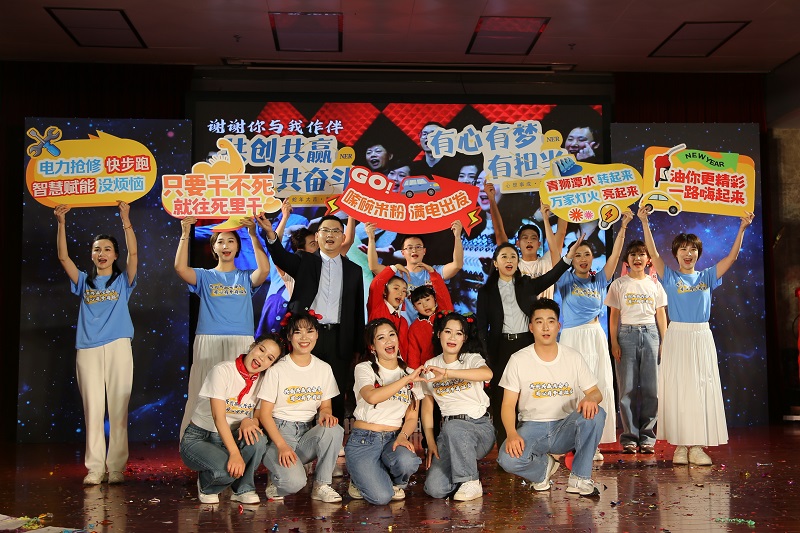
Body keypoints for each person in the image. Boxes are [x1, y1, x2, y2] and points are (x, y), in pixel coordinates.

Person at [638, 206, 755, 465]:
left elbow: (732, 258)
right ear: (676, 253)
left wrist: (742, 228)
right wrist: (644, 221)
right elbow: (653, 253)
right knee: (679, 389)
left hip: (701, 336)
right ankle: (680, 445)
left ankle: (698, 445)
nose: (688, 253)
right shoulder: (669, 276)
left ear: (698, 253)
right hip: (677, 336)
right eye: (683, 249)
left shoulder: (707, 276)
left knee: (701, 388)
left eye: (692, 249)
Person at [54, 201, 138, 485]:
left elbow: (134, 253)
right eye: (97, 249)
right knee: (93, 409)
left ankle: (116, 467)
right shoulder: (84, 281)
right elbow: (63, 257)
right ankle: (95, 468)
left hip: (118, 346)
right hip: (88, 348)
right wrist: (61, 223)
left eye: (107, 249)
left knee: (118, 408)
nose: (101, 254)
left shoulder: (123, 281)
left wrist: (125, 220)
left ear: (115, 255)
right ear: (91, 254)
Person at [496, 298, 605, 498]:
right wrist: (511, 433)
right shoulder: (518, 360)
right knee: (507, 460)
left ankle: (580, 478)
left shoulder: (573, 357)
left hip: (565, 426)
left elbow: (596, 392)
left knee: (597, 413)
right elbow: (508, 404)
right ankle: (543, 469)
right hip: (532, 428)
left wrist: (591, 397)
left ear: (558, 326)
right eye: (539, 322)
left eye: (551, 321)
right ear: (531, 327)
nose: (545, 327)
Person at [476, 238, 580, 444]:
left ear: (518, 262)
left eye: (513, 257)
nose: (509, 260)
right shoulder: (486, 292)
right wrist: (486, 356)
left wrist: (569, 257)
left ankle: (535, 442)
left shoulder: (526, 284)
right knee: (502, 397)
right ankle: (506, 444)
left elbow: (552, 276)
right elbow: (481, 327)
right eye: (504, 257)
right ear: (495, 263)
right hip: (501, 348)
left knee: (531, 393)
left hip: (526, 344)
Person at [263, 214, 365, 424]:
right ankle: (299, 431)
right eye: (325, 231)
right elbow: (280, 256)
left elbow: (356, 311)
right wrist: (271, 234)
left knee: (336, 390)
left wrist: (358, 346)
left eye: (335, 231)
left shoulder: (354, 270)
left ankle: (333, 434)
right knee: (303, 387)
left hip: (339, 337)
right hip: (307, 336)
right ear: (317, 236)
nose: (330, 235)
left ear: (343, 237)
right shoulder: (304, 260)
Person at [175, 215, 271, 438]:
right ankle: (196, 442)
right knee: (203, 390)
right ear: (213, 248)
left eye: (230, 241)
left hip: (241, 341)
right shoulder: (205, 276)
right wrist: (185, 233)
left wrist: (253, 235)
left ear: (237, 247)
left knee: (238, 393)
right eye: (220, 241)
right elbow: (180, 268)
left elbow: (264, 270)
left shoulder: (245, 277)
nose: (226, 246)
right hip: (208, 340)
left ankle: (234, 443)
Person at [555, 210, 632, 460]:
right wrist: (550, 222)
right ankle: (571, 441)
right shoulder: (564, 279)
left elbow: (616, 255)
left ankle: (592, 442)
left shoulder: (599, 280)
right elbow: (556, 253)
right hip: (572, 337)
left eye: (586, 254)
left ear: (593, 257)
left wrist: (623, 227)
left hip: (595, 336)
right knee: (573, 388)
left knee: (598, 385)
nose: (582, 258)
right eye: (577, 255)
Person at [180, 334, 284, 504]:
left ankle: (243, 488)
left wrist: (249, 421)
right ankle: (207, 485)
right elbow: (218, 417)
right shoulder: (222, 370)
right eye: (261, 350)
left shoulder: (263, 380)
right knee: (226, 471)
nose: (262, 358)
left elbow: (258, 416)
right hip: (201, 437)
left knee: (258, 440)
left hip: (232, 436)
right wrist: (235, 454)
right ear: (252, 346)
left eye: (269, 358)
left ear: (271, 364)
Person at [258, 309, 345, 502]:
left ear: (317, 334)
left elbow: (326, 406)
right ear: (289, 336)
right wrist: (281, 445)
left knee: (334, 429)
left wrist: (325, 414)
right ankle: (277, 478)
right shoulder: (277, 369)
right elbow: (264, 414)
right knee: (294, 483)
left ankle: (321, 485)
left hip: (306, 432)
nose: (304, 337)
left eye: (310, 331)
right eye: (298, 332)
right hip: (279, 433)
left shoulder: (323, 368)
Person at [346, 319, 425, 504]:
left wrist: (403, 436)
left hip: (393, 439)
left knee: (408, 461)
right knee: (381, 498)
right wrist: (406, 380)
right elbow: (371, 397)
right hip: (364, 439)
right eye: (381, 338)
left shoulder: (411, 373)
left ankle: (390, 481)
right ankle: (359, 479)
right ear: (372, 347)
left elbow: (412, 416)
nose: (389, 341)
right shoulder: (364, 368)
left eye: (392, 335)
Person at [422, 312, 494, 502]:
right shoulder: (430, 365)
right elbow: (427, 407)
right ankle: (462, 472)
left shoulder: (471, 359)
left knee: (454, 427)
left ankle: (471, 481)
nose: (452, 337)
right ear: (439, 334)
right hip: (449, 434)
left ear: (464, 338)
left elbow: (487, 374)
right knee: (435, 489)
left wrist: (447, 373)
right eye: (448, 331)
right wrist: (430, 441)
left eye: (459, 333)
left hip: (478, 427)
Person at [605, 239, 668, 454]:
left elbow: (661, 313)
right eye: (633, 254)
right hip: (626, 335)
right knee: (627, 390)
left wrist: (664, 341)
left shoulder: (654, 284)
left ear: (648, 259)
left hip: (650, 334)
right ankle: (630, 438)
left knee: (652, 390)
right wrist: (614, 341)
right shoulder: (619, 284)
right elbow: (614, 316)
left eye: (641, 254)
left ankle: (647, 437)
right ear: (627, 260)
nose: (637, 258)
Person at [367, 222, 463, 323]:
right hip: (402, 328)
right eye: (409, 247)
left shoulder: (434, 272)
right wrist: (371, 239)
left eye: (418, 247)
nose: (414, 250)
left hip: (430, 327)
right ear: (403, 252)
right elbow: (374, 267)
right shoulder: (397, 273)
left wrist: (457, 237)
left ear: (424, 251)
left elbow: (457, 265)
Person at [487, 186, 567, 301]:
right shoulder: (512, 264)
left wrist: (564, 196)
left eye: (533, 238)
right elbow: (499, 232)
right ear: (517, 243)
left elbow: (561, 232)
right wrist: (492, 199)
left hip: (544, 312)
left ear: (539, 244)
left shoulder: (548, 261)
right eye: (525, 238)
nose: (529, 240)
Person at [407, 269, 454, 369]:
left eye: (427, 299)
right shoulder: (414, 328)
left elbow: (443, 293)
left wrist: (432, 272)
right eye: (419, 303)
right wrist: (415, 375)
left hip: (451, 365)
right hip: (429, 370)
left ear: (435, 299)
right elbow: (413, 355)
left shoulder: (444, 314)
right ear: (415, 307)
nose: (425, 305)